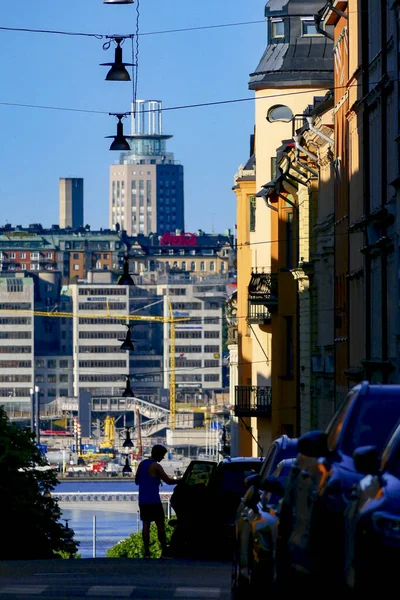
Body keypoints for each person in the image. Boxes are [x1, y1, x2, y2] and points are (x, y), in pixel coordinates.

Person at [135, 444, 182, 558]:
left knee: (146, 525)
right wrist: (183, 480)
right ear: (159, 454)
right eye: (163, 455)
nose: (163, 458)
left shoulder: (142, 464)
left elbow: (137, 481)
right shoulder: (156, 466)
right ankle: (165, 550)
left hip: (143, 500)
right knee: (160, 525)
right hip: (154, 500)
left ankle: (146, 552)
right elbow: (168, 481)